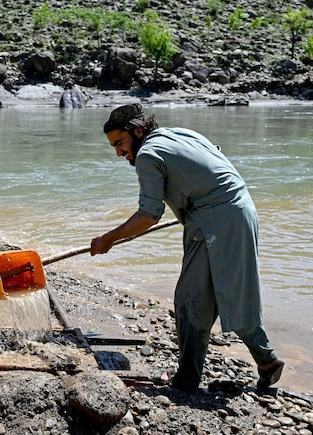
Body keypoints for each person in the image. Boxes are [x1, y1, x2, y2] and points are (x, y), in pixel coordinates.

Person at [89, 104, 284, 391]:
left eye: (120, 143)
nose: (118, 152)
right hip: (240, 210)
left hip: (214, 222)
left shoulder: (147, 155)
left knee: (192, 299)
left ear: (139, 131)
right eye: (113, 146)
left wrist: (109, 238)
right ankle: (266, 361)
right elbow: (210, 166)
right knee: (230, 291)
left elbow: (149, 215)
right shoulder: (180, 133)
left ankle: (188, 379)